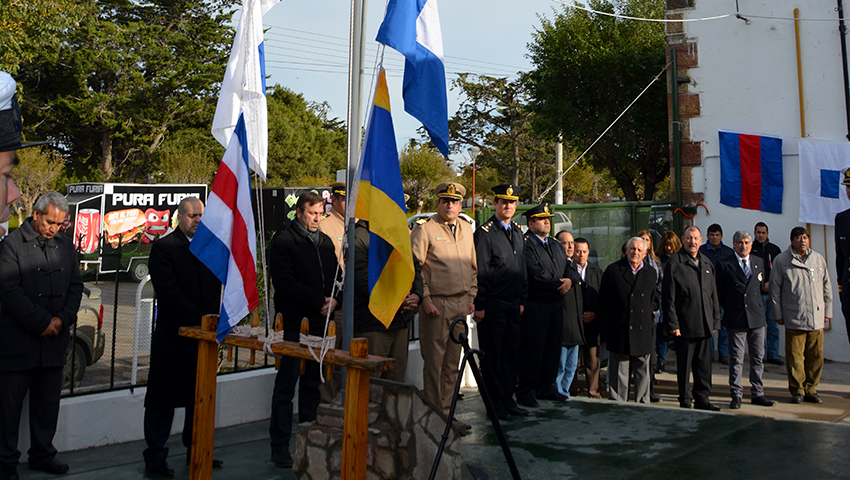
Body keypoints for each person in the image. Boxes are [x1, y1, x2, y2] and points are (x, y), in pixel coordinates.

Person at [0, 193, 83, 479]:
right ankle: (5, 462)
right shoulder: (11, 245)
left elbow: (76, 286)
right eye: (50, 222)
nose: (54, 228)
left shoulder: (65, 245)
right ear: (35, 215)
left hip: (54, 341)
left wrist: (62, 320)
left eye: (60, 224)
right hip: (18, 342)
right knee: (8, 408)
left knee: (47, 404)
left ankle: (43, 454)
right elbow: (9, 291)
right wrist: (42, 323)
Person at [142, 197, 223, 477]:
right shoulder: (165, 248)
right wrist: (200, 317)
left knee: (198, 397)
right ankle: (155, 456)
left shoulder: (210, 248)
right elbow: (169, 291)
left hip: (203, 339)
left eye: (201, 215)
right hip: (173, 337)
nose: (198, 219)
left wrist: (211, 318)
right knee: (162, 401)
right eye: (192, 215)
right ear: (180, 218)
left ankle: (198, 448)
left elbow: (216, 287)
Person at [268, 191, 340, 468]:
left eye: (320, 213)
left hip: (320, 322)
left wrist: (334, 299)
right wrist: (318, 300)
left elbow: (337, 275)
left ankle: (309, 438)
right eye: (312, 213)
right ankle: (279, 446)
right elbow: (284, 282)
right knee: (286, 385)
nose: (316, 218)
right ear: (299, 213)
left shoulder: (324, 242)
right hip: (293, 324)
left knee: (313, 383)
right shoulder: (285, 241)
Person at [410, 182, 477, 415]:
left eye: (455, 202)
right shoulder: (425, 229)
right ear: (438, 203)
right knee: (434, 365)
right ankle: (433, 417)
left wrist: (471, 295)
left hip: (460, 304)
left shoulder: (467, 229)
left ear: (461, 206)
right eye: (446, 201)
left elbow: (472, 267)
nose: (450, 205)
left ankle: (447, 416)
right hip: (436, 305)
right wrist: (425, 300)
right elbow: (414, 268)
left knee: (452, 365)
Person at [474, 184, 528, 421]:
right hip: (493, 304)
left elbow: (521, 269)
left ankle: (508, 399)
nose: (508, 206)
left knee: (510, 354)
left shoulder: (517, 231)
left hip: (513, 303)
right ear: (495, 204)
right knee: (492, 356)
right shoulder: (485, 233)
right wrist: (480, 304)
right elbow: (482, 270)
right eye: (503, 202)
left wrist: (522, 298)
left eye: (512, 202)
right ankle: (494, 404)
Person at [516, 204, 574, 406]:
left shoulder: (555, 244)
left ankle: (546, 387)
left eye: (548, 218)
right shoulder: (526, 244)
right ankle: (527, 391)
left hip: (556, 304)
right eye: (542, 219)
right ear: (531, 223)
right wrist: (560, 283)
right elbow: (535, 272)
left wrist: (570, 280)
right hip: (536, 304)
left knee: (552, 348)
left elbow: (568, 266)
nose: (547, 222)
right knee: (534, 349)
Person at [352, 219, 423, 383]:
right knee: (372, 382)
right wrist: (397, 298)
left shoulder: (396, 232)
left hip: (401, 320)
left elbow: (414, 267)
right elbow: (362, 279)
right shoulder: (360, 235)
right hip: (374, 323)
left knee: (396, 381)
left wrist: (417, 295)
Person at [770, 227, 832, 404]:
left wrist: (828, 311)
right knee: (795, 357)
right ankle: (797, 390)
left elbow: (826, 286)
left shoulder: (818, 259)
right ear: (792, 241)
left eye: (805, 237)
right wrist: (778, 314)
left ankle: (811, 388)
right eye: (798, 238)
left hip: (816, 318)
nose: (802, 241)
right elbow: (774, 289)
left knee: (816, 356)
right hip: (794, 317)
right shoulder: (782, 260)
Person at [663, 226, 722, 410]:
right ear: (683, 239)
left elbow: (713, 294)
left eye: (696, 238)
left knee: (704, 366)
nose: (692, 242)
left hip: (705, 324)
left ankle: (702, 398)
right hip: (684, 327)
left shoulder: (706, 263)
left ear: (701, 240)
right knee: (684, 367)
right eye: (689, 238)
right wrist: (673, 323)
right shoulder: (675, 263)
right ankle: (685, 400)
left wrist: (715, 319)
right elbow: (668, 298)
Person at [716, 231, 775, 409]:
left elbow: (759, 286)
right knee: (737, 359)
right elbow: (720, 292)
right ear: (734, 244)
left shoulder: (758, 262)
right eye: (740, 243)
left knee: (758, 357)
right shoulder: (725, 264)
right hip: (736, 317)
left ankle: (758, 392)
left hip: (756, 318)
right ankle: (736, 394)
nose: (743, 246)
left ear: (751, 244)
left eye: (747, 242)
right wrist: (732, 307)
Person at [599, 237, 657, 403]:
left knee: (642, 374)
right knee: (619, 374)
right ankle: (618, 405)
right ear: (626, 250)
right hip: (620, 330)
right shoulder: (613, 270)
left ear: (645, 253)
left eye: (639, 250)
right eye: (632, 249)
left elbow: (655, 297)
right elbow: (604, 299)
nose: (635, 253)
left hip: (643, 331)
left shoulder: (651, 273)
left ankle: (642, 405)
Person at [317, 181, 346, 401]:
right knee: (331, 356)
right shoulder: (325, 225)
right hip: (335, 302)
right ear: (333, 200)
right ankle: (329, 403)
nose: (347, 203)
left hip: (356, 300)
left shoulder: (360, 224)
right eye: (343, 199)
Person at [555, 230, 584, 399]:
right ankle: (558, 391)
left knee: (572, 366)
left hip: (576, 327)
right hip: (562, 327)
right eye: (565, 243)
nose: (570, 246)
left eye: (571, 242)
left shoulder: (574, 267)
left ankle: (564, 392)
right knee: (560, 366)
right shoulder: (557, 266)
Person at [700, 223, 735, 365]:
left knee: (724, 324)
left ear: (721, 236)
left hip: (724, 293)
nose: (715, 238)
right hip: (706, 292)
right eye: (712, 235)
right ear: (707, 236)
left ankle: (724, 353)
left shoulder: (728, 252)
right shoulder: (701, 251)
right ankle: (709, 353)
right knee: (709, 323)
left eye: (717, 235)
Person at [573, 237, 603, 398]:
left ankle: (593, 391)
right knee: (573, 362)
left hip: (592, 324)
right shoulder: (568, 270)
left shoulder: (596, 272)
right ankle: (572, 391)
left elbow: (603, 297)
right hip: (574, 324)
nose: (581, 255)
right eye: (578, 251)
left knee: (592, 360)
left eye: (584, 252)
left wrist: (595, 313)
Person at [752, 221, 784, 365]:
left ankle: (773, 355)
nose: (761, 235)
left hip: (772, 294)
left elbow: (780, 270)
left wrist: (771, 284)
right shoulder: (750, 249)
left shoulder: (774, 250)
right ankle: (761, 355)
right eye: (758, 232)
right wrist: (761, 284)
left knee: (774, 326)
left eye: (763, 233)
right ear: (754, 233)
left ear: (767, 234)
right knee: (759, 327)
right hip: (757, 295)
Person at [638, 230, 663, 402]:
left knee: (650, 353)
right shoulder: (633, 262)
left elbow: (660, 284)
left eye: (647, 240)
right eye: (642, 240)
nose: (645, 243)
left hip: (653, 312)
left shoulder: (655, 262)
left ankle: (650, 389)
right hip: (637, 314)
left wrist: (655, 304)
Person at [655, 231, 681, 373]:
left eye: (670, 245)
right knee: (663, 334)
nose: (668, 248)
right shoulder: (660, 260)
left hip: (678, 300)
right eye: (666, 245)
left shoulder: (680, 259)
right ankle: (661, 360)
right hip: (663, 299)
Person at [834, 171, 850, 347]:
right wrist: (841, 287)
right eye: (847, 187)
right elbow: (840, 256)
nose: (849, 191)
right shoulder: (842, 218)